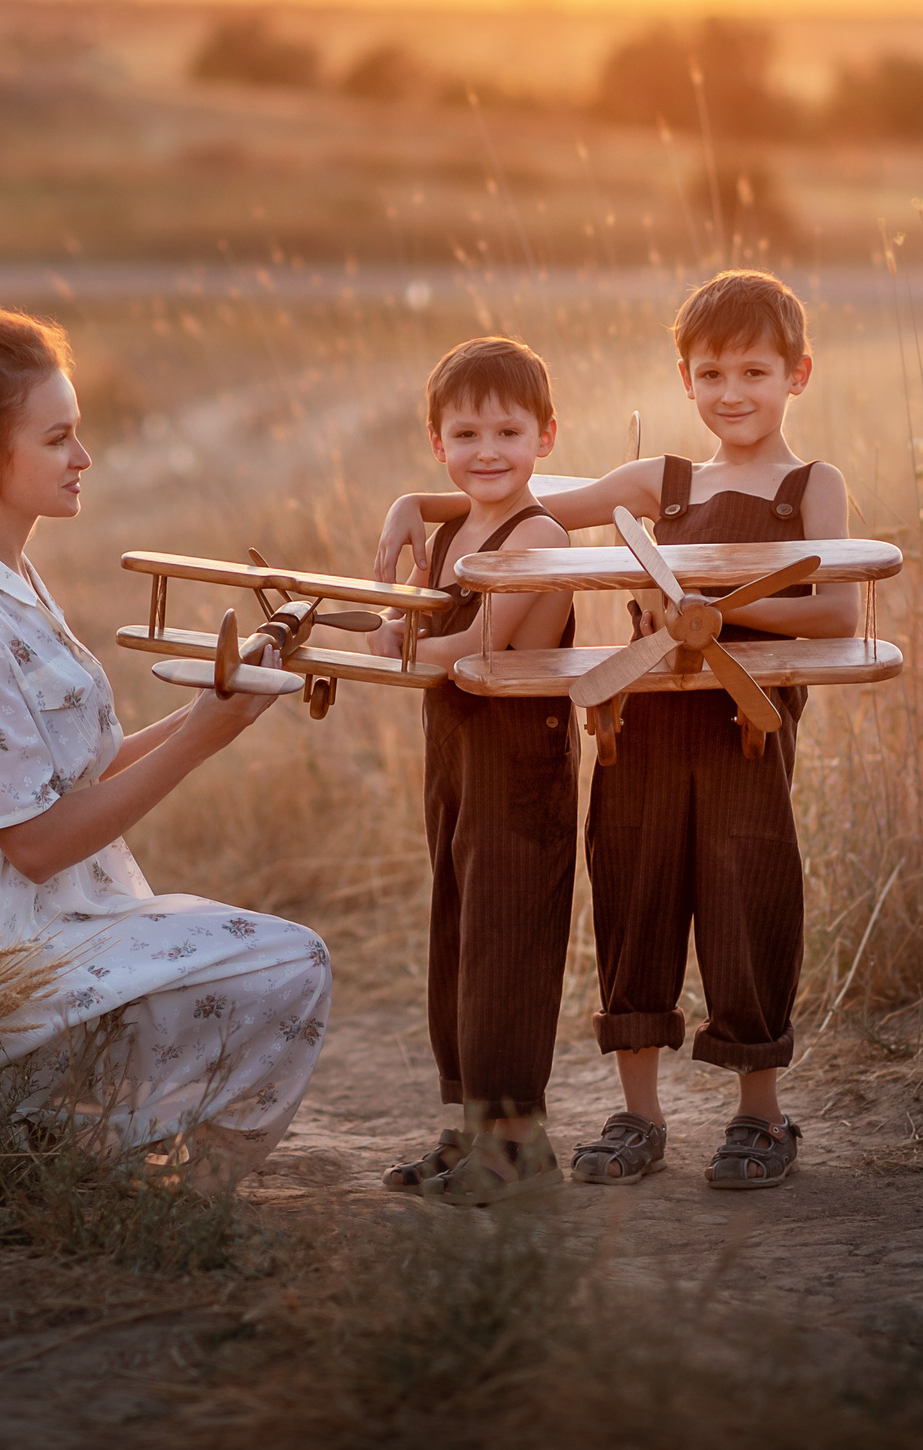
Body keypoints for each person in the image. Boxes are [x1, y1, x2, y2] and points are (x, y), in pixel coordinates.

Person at [0, 307, 330, 1187]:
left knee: (270, 960)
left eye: (76, 431)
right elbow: (35, 843)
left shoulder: (7, 577)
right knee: (293, 961)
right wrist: (198, 742)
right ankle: (171, 1193)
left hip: (53, 909)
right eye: (56, 438)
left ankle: (91, 1159)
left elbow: (74, 773)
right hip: (5, 937)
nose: (83, 457)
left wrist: (214, 709)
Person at [373, 271, 857, 1190]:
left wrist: (712, 608)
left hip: (745, 734)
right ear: (685, 379)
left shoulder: (810, 486)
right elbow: (525, 499)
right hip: (638, 729)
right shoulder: (659, 484)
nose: (731, 393)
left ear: (797, 374)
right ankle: (640, 1116)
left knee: (747, 900)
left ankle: (760, 1115)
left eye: (754, 372)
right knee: (634, 902)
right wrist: (417, 505)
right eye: (711, 374)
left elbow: (836, 610)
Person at [366, 337, 579, 1205]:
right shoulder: (455, 527)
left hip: (521, 769)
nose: (487, 451)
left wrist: (392, 644)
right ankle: (469, 1129)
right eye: (465, 434)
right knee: (457, 936)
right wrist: (390, 625)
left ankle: (519, 1143)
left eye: (507, 432)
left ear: (546, 436)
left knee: (508, 942)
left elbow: (477, 644)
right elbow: (422, 624)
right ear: (438, 443)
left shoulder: (540, 533)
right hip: (456, 758)